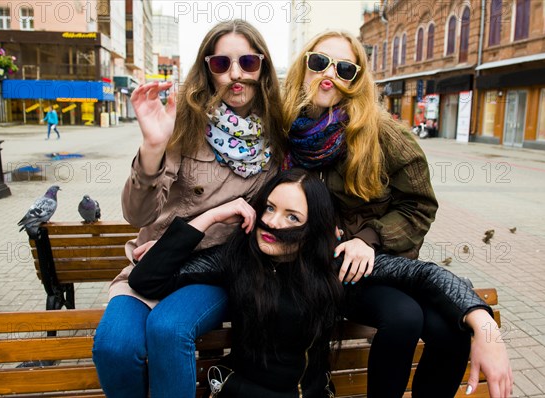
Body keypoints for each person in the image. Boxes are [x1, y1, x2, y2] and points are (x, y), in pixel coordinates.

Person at [128, 168, 511, 397]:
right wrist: (210, 217)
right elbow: (148, 281)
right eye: (270, 209)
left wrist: (484, 326)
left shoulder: (336, 263)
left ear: (316, 229)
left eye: (293, 217)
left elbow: (426, 275)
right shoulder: (238, 257)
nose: (274, 223)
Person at [281, 31, 512, 397]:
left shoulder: (383, 134)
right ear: (304, 66)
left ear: (356, 80)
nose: (329, 74)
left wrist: (368, 240)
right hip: (322, 270)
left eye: (344, 68)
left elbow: (419, 206)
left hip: (385, 262)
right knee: (404, 318)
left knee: (450, 331)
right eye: (319, 62)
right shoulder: (283, 128)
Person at [92, 20, 283, 397]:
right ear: (207, 69)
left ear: (263, 67)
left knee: (169, 328)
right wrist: (152, 148)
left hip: (211, 274)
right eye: (221, 64)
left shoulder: (277, 137)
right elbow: (138, 215)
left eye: (247, 62)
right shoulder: (185, 123)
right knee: (114, 347)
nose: (235, 74)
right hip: (155, 266)